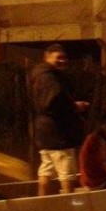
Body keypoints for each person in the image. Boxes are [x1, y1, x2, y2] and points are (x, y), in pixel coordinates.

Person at [30, 43, 89, 195]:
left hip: (43, 132)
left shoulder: (37, 75)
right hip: (57, 132)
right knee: (67, 173)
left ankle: (41, 202)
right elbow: (55, 102)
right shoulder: (50, 77)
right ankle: (68, 205)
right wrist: (75, 106)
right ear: (47, 57)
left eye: (64, 58)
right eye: (58, 58)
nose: (63, 61)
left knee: (46, 169)